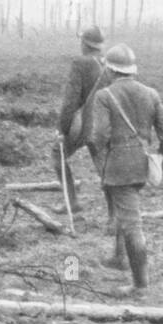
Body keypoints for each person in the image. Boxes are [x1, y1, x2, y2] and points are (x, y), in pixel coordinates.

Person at [88, 43, 163, 297]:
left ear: (111, 70)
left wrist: (105, 160)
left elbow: (98, 136)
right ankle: (119, 258)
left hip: (118, 167)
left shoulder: (104, 96)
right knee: (127, 217)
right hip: (141, 164)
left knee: (132, 223)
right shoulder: (150, 93)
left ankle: (140, 285)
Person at [55, 25, 110, 215]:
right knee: (104, 167)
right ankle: (113, 215)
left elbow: (70, 101)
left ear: (85, 44)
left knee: (58, 154)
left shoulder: (80, 63)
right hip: (106, 123)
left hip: (85, 123)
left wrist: (62, 129)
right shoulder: (108, 63)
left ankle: (72, 202)